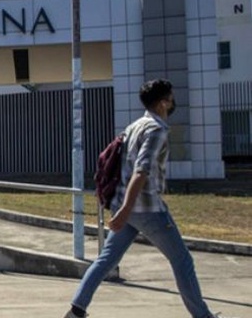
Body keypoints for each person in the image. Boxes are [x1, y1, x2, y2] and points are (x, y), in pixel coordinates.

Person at [63, 79, 232, 318]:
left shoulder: (134, 127)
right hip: (147, 209)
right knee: (183, 261)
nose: (173, 103)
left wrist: (123, 210)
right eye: (171, 98)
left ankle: (76, 311)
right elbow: (141, 171)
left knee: (106, 260)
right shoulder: (157, 129)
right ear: (163, 103)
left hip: (126, 206)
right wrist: (125, 211)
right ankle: (203, 316)